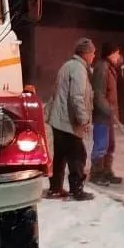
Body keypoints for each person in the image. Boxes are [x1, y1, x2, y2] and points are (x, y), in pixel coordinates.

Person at [46, 37, 96, 200]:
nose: (94, 56)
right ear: (86, 53)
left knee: (60, 155)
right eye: (92, 53)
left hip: (59, 119)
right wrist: (83, 119)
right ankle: (77, 190)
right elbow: (76, 97)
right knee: (78, 155)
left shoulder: (68, 65)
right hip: (68, 121)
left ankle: (55, 188)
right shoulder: (78, 69)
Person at [89, 42, 124, 184]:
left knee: (110, 144)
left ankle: (107, 171)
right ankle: (96, 174)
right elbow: (98, 94)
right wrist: (107, 109)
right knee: (101, 144)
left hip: (109, 115)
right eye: (117, 53)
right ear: (111, 53)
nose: (119, 56)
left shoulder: (110, 68)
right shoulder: (102, 68)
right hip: (102, 115)